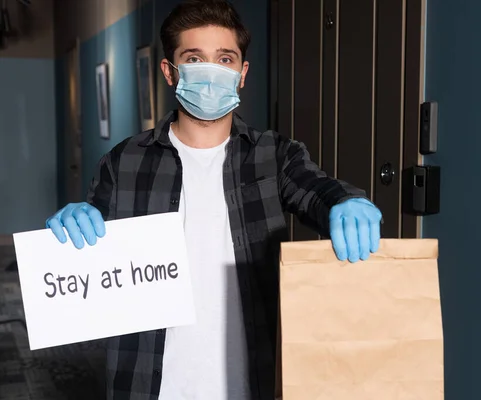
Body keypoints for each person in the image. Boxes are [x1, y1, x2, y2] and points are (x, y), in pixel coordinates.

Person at [45, 0, 382, 399]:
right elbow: (93, 251)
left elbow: (316, 190)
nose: (212, 72)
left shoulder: (274, 155)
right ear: (170, 72)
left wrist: (347, 201)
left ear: (242, 74)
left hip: (252, 380)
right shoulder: (124, 161)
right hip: (149, 382)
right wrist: (74, 228)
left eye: (224, 58)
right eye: (194, 58)